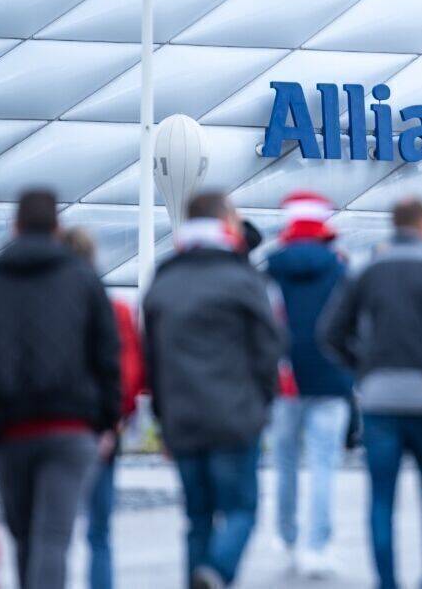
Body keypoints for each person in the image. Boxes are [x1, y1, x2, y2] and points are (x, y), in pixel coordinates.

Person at [320, 197, 422, 589]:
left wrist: (364, 367)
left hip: (378, 399)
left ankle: (387, 581)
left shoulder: (366, 273)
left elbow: (329, 333)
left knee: (381, 498)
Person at [143, 191, 285, 589]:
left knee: (197, 519)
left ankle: (201, 577)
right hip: (235, 416)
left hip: (183, 419)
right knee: (241, 510)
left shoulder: (165, 276)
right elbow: (268, 347)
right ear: (225, 221)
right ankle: (218, 571)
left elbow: (152, 352)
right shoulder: (243, 278)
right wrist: (262, 403)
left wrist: (161, 416)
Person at [0, 189, 121, 589]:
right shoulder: (84, 279)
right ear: (57, 227)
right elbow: (107, 354)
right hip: (71, 428)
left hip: (11, 431)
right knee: (52, 538)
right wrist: (106, 421)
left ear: (15, 227)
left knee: (24, 536)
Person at [264, 191, 352, 577]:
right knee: (323, 465)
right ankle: (316, 546)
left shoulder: (270, 269)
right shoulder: (340, 271)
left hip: (284, 381)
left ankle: (286, 538)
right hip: (331, 378)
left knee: (283, 464)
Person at [60, 228, 146, 589]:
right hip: (100, 431)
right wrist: (115, 420)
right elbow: (129, 372)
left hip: (53, 426)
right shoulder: (114, 310)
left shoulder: (45, 308)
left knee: (52, 532)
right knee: (99, 531)